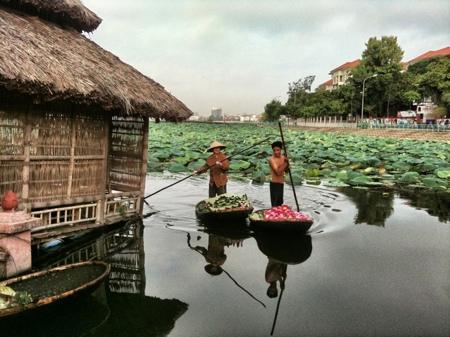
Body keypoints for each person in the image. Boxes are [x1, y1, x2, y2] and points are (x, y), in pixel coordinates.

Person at [268, 141, 289, 207]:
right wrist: (285, 163)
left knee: (280, 204)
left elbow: (287, 171)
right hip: (274, 184)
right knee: (275, 205)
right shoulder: (271, 159)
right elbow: (278, 172)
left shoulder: (283, 158)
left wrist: (287, 163)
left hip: (281, 183)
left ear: (281, 150)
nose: (276, 152)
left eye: (278, 150)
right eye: (274, 150)